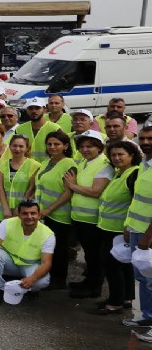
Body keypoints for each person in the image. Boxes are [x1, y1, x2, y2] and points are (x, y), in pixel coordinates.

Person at [91, 141, 140, 314]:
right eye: (113, 155)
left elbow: (136, 203)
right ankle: (126, 298)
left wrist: (128, 226)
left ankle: (115, 302)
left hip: (119, 230)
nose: (116, 158)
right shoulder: (120, 173)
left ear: (131, 155)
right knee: (123, 265)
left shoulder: (134, 174)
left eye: (121, 154)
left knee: (112, 266)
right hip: (109, 228)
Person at [0, 199, 55, 305]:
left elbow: (46, 263)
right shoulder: (7, 223)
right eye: (25, 213)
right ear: (19, 215)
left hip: (30, 266)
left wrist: (33, 278)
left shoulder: (48, 234)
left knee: (42, 282)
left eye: (33, 213)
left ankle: (30, 288)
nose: (29, 217)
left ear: (39, 215)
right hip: (9, 263)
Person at [65, 130, 112, 299]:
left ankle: (94, 287)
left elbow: (95, 192)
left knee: (95, 255)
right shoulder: (84, 162)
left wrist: (72, 185)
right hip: (80, 218)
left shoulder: (104, 164)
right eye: (82, 146)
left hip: (93, 220)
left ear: (99, 148)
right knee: (89, 255)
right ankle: (89, 282)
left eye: (90, 146)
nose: (85, 149)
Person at [34, 130, 76, 290]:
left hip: (59, 214)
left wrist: (49, 209)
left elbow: (68, 192)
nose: (52, 147)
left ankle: (59, 280)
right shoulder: (47, 162)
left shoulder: (69, 164)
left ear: (65, 146)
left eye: (56, 144)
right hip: (44, 212)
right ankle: (48, 274)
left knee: (59, 249)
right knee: (47, 247)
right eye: (49, 144)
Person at [121, 126, 152, 334]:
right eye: (143, 138)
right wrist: (129, 225)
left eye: (150, 138)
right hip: (136, 228)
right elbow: (139, 199)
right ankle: (147, 317)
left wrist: (148, 236)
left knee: (151, 280)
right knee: (142, 277)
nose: (147, 142)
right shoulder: (144, 163)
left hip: (148, 234)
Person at [0, 134, 40, 221]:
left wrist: (20, 208)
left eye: (21, 146)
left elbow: (31, 189)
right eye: (14, 146)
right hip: (5, 209)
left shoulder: (34, 165)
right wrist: (6, 208)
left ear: (27, 148)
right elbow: (0, 188)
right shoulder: (3, 165)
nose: (17, 149)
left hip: (25, 209)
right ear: (10, 146)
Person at [15, 97, 61, 163]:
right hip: (26, 167)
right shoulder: (20, 129)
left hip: (47, 168)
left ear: (44, 110)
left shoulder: (55, 128)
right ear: (27, 110)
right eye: (30, 108)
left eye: (37, 108)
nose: (34, 111)